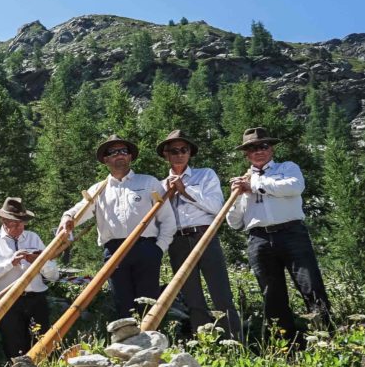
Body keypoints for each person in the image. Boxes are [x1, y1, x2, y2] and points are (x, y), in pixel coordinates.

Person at [224, 127, 333, 346]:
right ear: (246, 154)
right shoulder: (242, 181)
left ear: (272, 148)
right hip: (259, 240)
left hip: (292, 233)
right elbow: (234, 222)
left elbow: (294, 187)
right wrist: (236, 196)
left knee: (311, 286)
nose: (259, 151)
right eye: (252, 148)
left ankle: (328, 340)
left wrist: (254, 185)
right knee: (272, 296)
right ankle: (288, 347)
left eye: (263, 146)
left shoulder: (288, 168)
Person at [57, 135, 173, 320]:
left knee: (149, 304)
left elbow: (167, 218)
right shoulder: (98, 189)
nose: (119, 154)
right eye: (113, 152)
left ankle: (152, 344)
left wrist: (159, 249)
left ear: (130, 157)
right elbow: (80, 210)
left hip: (146, 248)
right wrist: (67, 217)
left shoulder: (148, 182)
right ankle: (128, 346)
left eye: (123, 151)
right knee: (122, 304)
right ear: (106, 159)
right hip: (114, 250)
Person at [157, 129, 239, 338]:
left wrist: (186, 191)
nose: (179, 154)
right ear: (166, 154)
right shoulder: (159, 186)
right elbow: (159, 219)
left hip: (205, 236)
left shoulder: (205, 175)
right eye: (174, 151)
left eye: (184, 149)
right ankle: (204, 343)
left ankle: (236, 344)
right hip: (177, 242)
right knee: (192, 297)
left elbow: (217, 207)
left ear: (190, 153)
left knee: (221, 293)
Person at [0, 197, 59, 358]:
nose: (19, 228)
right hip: (7, 302)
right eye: (13, 223)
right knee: (15, 349)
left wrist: (40, 262)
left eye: (21, 223)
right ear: (3, 220)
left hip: (36, 299)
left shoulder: (33, 237)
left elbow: (54, 275)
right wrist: (10, 263)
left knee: (43, 347)